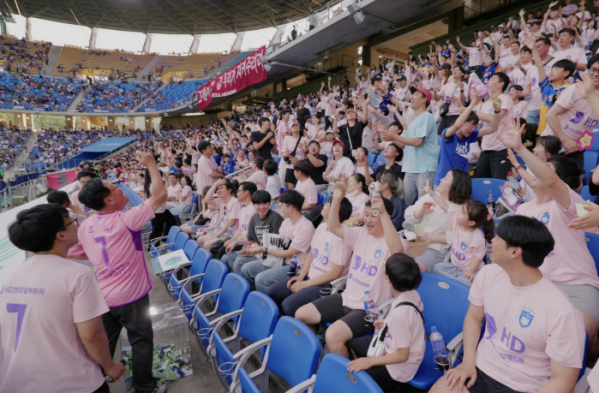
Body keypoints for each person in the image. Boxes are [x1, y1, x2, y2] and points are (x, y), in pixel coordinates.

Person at [429, 216, 585, 393]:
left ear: (514, 252)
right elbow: (474, 317)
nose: (492, 240)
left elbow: (563, 380)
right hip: (480, 370)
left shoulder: (562, 312)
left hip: (523, 387)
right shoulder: (488, 274)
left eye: (498, 237)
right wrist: (468, 361)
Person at [499, 125, 599, 362]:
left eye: (543, 169)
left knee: (580, 333)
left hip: (576, 286)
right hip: (538, 284)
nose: (535, 172)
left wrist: (521, 148)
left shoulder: (567, 205)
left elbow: (553, 183)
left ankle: (590, 370)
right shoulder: (524, 209)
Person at [1, 204, 125, 393]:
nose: (77, 225)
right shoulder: (78, 275)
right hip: (72, 382)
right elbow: (92, 335)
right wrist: (109, 366)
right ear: (60, 235)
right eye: (72, 222)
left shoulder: (10, 278)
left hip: (18, 382)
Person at [74, 151, 168, 393]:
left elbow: (84, 252)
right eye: (114, 187)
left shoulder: (87, 225)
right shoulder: (127, 219)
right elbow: (160, 195)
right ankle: (144, 388)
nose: (120, 188)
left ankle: (94, 385)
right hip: (131, 297)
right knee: (141, 342)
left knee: (104, 345)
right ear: (108, 200)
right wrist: (151, 164)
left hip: (102, 296)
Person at [295, 188, 405, 358]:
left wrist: (382, 212)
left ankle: (347, 379)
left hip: (369, 310)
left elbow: (396, 251)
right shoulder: (360, 233)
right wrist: (337, 200)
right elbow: (332, 227)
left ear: (386, 217)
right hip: (346, 298)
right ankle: (316, 357)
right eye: (366, 214)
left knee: (333, 335)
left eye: (374, 214)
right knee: (301, 315)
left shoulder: (394, 241)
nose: (368, 220)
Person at [346, 254, 425, 392]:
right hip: (399, 344)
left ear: (387, 278)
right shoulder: (412, 293)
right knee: (352, 344)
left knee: (358, 385)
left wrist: (369, 362)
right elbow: (410, 321)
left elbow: (402, 355)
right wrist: (387, 322)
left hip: (399, 369)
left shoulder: (400, 315)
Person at [267, 198, 353, 316]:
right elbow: (312, 253)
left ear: (335, 211)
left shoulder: (341, 238)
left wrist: (305, 284)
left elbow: (335, 273)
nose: (324, 205)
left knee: (288, 306)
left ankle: (296, 330)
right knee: (272, 292)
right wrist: (301, 276)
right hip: (310, 276)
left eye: (328, 204)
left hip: (325, 285)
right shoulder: (322, 227)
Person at [240, 190, 315, 293]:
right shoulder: (286, 222)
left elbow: (289, 253)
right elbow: (277, 245)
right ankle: (254, 298)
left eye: (281, 204)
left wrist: (262, 249)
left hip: (295, 266)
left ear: (291, 208)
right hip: (279, 260)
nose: (280, 207)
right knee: (246, 269)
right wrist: (257, 251)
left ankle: (272, 305)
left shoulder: (305, 227)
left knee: (261, 279)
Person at [425, 180, 494, 286]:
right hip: (454, 266)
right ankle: (455, 282)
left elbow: (478, 257)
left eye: (462, 212)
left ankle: (457, 283)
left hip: (472, 269)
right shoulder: (457, 221)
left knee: (467, 283)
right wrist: (431, 192)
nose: (458, 212)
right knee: (437, 268)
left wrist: (470, 271)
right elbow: (443, 205)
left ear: (471, 222)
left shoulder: (477, 237)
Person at [379, 87, 437, 205]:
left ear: (424, 99)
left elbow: (417, 142)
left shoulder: (427, 116)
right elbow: (403, 143)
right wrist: (387, 135)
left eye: (415, 94)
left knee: (424, 205)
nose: (411, 97)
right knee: (405, 202)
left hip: (424, 168)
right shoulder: (414, 121)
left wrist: (393, 137)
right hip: (411, 168)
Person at [406, 168, 472, 273]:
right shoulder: (429, 197)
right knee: (389, 259)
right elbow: (407, 215)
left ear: (456, 185)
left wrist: (429, 237)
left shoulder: (461, 210)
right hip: (413, 243)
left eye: (446, 178)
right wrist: (420, 212)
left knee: (408, 269)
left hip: (434, 250)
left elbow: (455, 236)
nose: (440, 180)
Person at [545, 55, 599, 171]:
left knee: (575, 182)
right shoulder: (576, 88)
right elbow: (550, 115)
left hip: (576, 148)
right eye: (593, 69)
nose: (595, 74)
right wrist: (565, 140)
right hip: (553, 144)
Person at [434, 93, 501, 186]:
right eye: (471, 125)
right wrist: (473, 102)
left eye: (475, 126)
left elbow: (493, 128)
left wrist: (497, 111)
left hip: (461, 183)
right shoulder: (448, 134)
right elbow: (457, 125)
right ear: (463, 122)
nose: (473, 129)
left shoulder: (470, 136)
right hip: (444, 182)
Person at [222, 190, 284, 273]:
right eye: (258, 204)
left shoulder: (275, 218)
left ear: (269, 203)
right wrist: (235, 243)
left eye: (265, 203)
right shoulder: (255, 217)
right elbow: (251, 239)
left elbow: (275, 246)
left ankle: (242, 285)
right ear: (253, 205)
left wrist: (253, 252)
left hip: (270, 256)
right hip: (258, 252)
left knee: (239, 262)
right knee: (226, 257)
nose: (262, 207)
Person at [472, 72, 514, 180]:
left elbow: (495, 118)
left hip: (501, 148)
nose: (488, 81)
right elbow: (478, 122)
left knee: (500, 184)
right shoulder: (486, 104)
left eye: (492, 79)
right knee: (479, 182)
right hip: (486, 149)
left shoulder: (505, 98)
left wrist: (475, 113)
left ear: (501, 84)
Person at [216, 182, 257, 260]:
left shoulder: (254, 209)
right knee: (216, 246)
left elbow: (249, 233)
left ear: (247, 193)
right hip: (238, 239)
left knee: (222, 252)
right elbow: (240, 228)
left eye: (239, 191)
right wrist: (232, 240)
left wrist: (235, 241)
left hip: (246, 241)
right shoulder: (242, 210)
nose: (237, 193)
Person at [196, 179, 239, 250]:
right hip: (220, 231)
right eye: (217, 189)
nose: (218, 190)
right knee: (200, 239)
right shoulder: (221, 201)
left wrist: (218, 235)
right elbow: (207, 199)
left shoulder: (235, 202)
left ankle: (213, 260)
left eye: (221, 188)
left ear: (229, 190)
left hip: (230, 234)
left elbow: (231, 222)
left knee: (207, 244)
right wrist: (215, 184)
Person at [143, 169, 177, 240]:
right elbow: (161, 196)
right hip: (157, 211)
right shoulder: (154, 185)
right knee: (157, 231)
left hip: (160, 209)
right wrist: (170, 197)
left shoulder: (150, 183)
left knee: (171, 221)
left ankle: (165, 237)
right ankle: (152, 247)